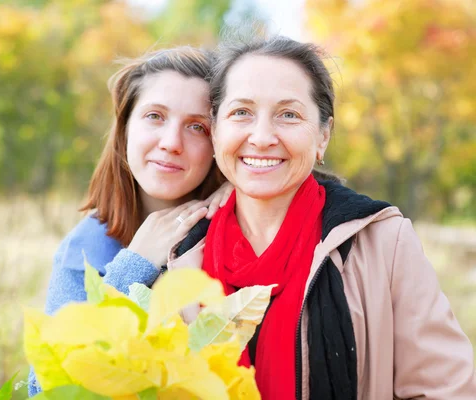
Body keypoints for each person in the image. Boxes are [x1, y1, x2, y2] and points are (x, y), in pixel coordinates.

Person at [169, 36, 476, 399]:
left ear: (323, 137)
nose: (263, 136)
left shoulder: (383, 243)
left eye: (289, 114)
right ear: (216, 129)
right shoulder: (182, 254)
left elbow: (445, 391)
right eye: (242, 112)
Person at [28, 46, 232, 396]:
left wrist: (242, 188)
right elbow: (46, 387)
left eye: (197, 127)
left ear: (218, 143)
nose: (171, 143)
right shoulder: (88, 245)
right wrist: (135, 263)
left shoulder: (239, 226)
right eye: (155, 116)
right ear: (124, 129)